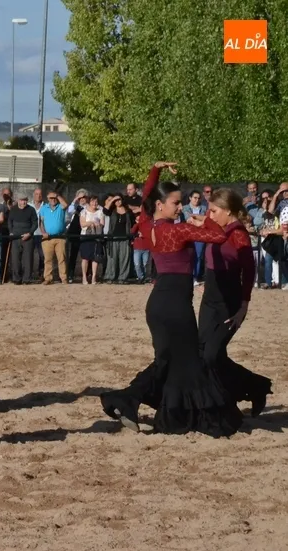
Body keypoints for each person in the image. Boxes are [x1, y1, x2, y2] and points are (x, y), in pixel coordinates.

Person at [99, 174, 241, 437]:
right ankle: (177, 413)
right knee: (188, 362)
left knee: (166, 362)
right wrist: (205, 219)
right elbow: (219, 236)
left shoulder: (147, 226)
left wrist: (155, 170)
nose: (180, 207)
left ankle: (128, 400)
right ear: (160, 205)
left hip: (157, 305)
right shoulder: (178, 230)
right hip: (176, 305)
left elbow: (146, 197)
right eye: (176, 202)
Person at [202, 189, 272, 416]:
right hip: (209, 299)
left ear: (228, 211)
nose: (210, 215)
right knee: (205, 353)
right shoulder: (217, 228)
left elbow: (249, 271)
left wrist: (244, 305)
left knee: (212, 355)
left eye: (214, 211)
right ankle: (243, 392)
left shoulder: (238, 234)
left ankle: (253, 387)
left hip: (229, 301)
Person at [130, 164, 176, 283]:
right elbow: (149, 186)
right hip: (149, 234)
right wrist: (156, 168)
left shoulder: (165, 209)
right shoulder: (147, 208)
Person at [7, 195, 38, 285]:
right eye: (21, 200)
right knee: (15, 259)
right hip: (15, 237)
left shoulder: (31, 210)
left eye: (25, 200)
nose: (23, 202)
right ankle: (16, 279)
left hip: (28, 237)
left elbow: (35, 223)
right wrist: (11, 231)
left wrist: (30, 233)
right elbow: (9, 221)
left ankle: (26, 279)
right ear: (18, 200)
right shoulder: (13, 209)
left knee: (28, 259)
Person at [78, 195, 105, 284]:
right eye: (93, 201)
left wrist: (98, 224)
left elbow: (102, 224)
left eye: (96, 201)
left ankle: (94, 277)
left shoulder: (100, 212)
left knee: (95, 258)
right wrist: (91, 222)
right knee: (85, 258)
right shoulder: (84, 212)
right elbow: (82, 224)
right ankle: (84, 277)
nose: (95, 203)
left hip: (96, 237)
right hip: (86, 237)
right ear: (89, 202)